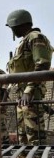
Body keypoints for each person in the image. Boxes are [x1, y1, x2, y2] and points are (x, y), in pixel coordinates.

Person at [6, 9, 53, 145]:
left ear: (18, 24)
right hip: (22, 98)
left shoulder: (35, 37)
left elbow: (42, 65)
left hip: (30, 96)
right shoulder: (23, 43)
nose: (13, 31)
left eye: (13, 28)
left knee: (35, 139)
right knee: (23, 138)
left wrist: (29, 91)